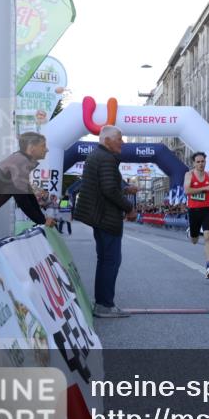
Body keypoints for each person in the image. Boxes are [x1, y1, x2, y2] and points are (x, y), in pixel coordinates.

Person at [73, 125, 136, 318]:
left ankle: (102, 302)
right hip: (107, 218)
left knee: (105, 260)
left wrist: (123, 189)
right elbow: (108, 189)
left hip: (99, 217)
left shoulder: (97, 156)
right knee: (111, 261)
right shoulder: (107, 158)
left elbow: (103, 186)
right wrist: (129, 207)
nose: (122, 142)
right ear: (107, 140)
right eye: (119, 138)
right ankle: (105, 305)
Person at [183, 151, 209, 279]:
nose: (201, 164)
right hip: (194, 210)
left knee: (207, 236)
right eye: (198, 162)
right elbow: (187, 190)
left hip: (207, 209)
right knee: (194, 240)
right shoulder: (189, 175)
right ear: (194, 163)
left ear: (205, 162)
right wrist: (204, 188)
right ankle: (190, 233)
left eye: (202, 161)